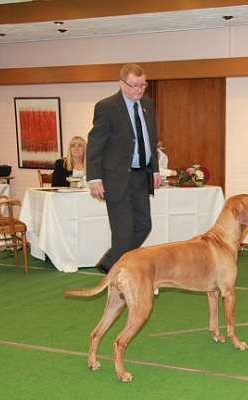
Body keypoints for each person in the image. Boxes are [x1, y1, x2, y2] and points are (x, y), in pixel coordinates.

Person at [87, 63, 161, 274]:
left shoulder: (147, 105)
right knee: (123, 232)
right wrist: (94, 178)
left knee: (144, 225)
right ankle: (118, 277)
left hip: (141, 175)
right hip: (116, 178)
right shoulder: (107, 107)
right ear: (121, 84)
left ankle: (110, 262)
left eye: (142, 85)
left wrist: (155, 170)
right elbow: (95, 144)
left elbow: (150, 140)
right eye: (134, 85)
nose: (139, 90)